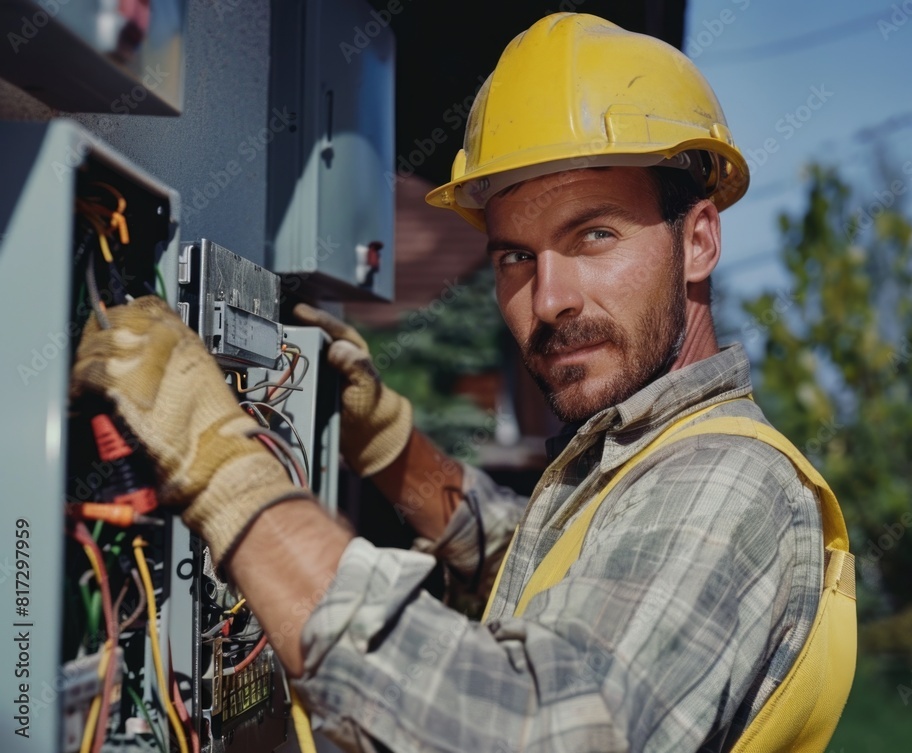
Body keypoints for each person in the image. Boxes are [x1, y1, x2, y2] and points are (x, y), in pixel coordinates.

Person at [70, 12, 854, 753]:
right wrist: (391, 446)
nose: (549, 300)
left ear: (700, 239)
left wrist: (225, 474)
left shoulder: (727, 478)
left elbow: (534, 731)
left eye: (595, 234)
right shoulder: (637, 464)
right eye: (517, 256)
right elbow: (535, 561)